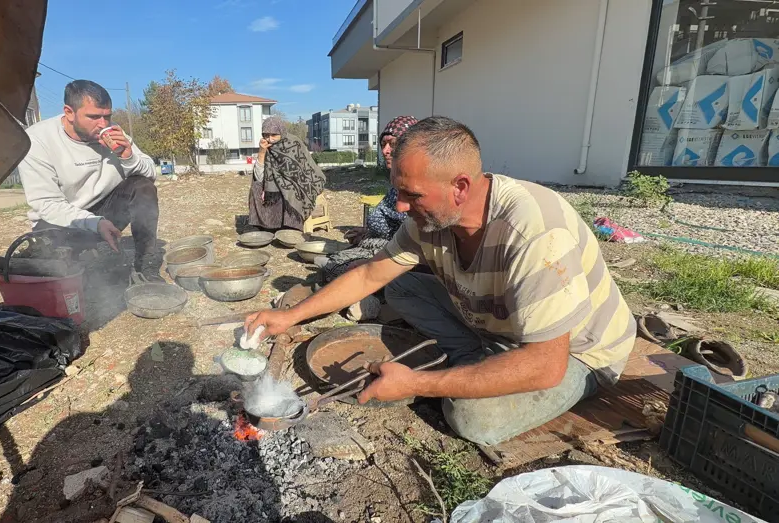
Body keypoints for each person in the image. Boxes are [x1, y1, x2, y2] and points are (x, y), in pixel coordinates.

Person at [245, 116, 636, 446]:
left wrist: (417, 383)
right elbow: (370, 273)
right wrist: (290, 316)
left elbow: (545, 366)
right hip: (504, 323)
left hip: (576, 353)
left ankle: (483, 366)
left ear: (460, 187)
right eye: (398, 192)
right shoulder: (430, 218)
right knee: (401, 286)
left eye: (411, 195)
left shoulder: (534, 232)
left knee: (470, 417)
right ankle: (479, 360)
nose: (400, 206)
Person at [19, 80, 158, 274]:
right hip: (60, 224)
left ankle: (147, 269)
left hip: (104, 215)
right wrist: (94, 223)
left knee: (143, 187)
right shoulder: (37, 140)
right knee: (73, 274)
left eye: (107, 116)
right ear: (69, 112)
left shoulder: (113, 131)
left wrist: (128, 157)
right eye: (93, 117)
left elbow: (151, 174)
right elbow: (47, 204)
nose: (103, 124)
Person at [316, 116, 417, 284]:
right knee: (331, 265)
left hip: (400, 254)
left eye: (392, 144)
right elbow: (391, 224)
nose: (385, 151)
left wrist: (369, 240)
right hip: (381, 243)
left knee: (336, 268)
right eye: (383, 144)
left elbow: (410, 239)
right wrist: (366, 232)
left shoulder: (417, 185)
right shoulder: (396, 183)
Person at [246, 117, 325, 232]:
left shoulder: (294, 143)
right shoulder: (266, 147)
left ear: (281, 132)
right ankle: (262, 225)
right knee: (255, 188)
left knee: (287, 189)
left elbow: (303, 171)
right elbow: (259, 177)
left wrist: (282, 182)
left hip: (298, 183)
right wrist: (262, 152)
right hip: (272, 186)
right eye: (266, 135)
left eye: (274, 135)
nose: (270, 139)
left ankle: (291, 227)